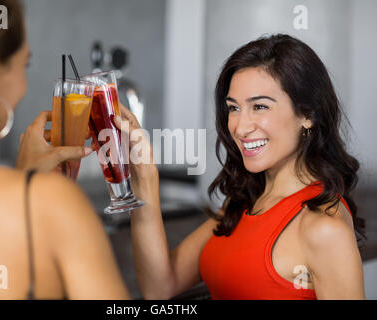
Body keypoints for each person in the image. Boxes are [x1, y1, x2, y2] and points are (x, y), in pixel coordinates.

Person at [117, 34, 366, 300]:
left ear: (308, 115)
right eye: (233, 108)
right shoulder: (245, 201)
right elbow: (160, 287)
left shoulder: (324, 228)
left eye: (259, 106)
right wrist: (143, 179)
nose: (240, 127)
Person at [0, 0, 129, 299]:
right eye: (25, 64)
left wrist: (25, 181)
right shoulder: (51, 202)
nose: (24, 82)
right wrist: (31, 191)